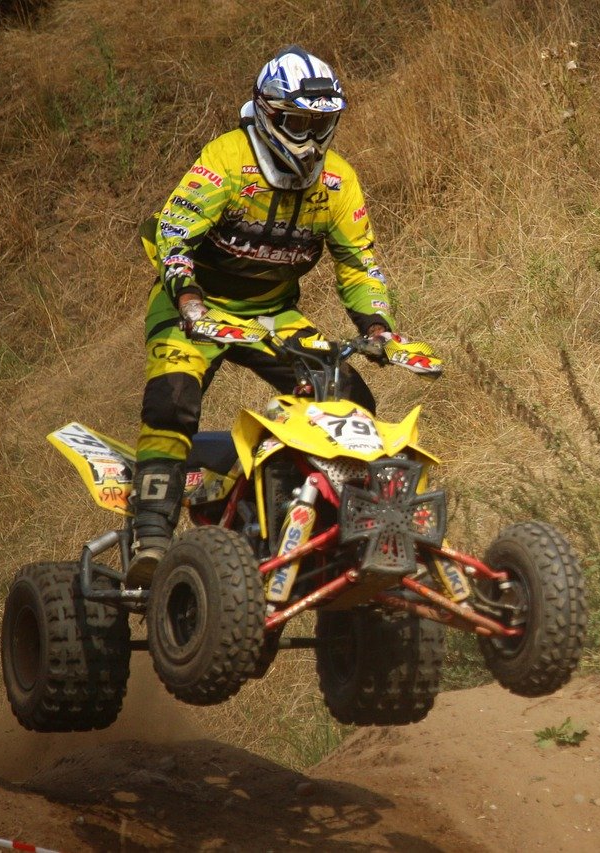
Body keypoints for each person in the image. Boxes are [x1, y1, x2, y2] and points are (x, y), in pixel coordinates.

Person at [129, 46, 412, 586]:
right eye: (298, 123)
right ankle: (152, 537)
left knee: (350, 393)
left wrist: (376, 326)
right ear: (268, 112)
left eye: (322, 123)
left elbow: (359, 263)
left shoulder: (338, 182)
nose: (310, 138)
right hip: (196, 305)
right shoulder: (226, 159)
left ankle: (344, 530)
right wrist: (188, 299)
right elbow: (173, 235)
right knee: (172, 400)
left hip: (272, 315)